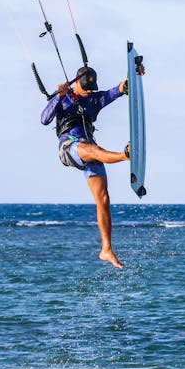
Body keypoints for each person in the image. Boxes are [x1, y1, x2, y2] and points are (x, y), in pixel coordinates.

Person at [40, 63, 145, 268]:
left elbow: (120, 89)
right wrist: (59, 96)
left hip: (90, 150)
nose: (89, 93)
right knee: (92, 150)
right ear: (76, 82)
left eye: (92, 90)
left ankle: (106, 249)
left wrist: (134, 75)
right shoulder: (64, 98)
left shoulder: (95, 99)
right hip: (69, 147)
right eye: (86, 89)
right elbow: (44, 119)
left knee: (103, 199)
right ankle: (126, 156)